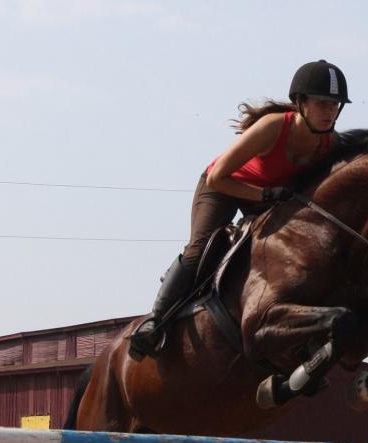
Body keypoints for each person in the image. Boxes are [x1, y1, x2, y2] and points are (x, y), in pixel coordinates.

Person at [130, 60, 352, 355]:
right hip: (223, 186)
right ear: (300, 102)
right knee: (200, 249)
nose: (330, 112)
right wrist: (266, 194)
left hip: (267, 199)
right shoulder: (273, 127)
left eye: (335, 105)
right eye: (322, 103)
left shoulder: (331, 144)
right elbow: (217, 177)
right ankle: (155, 322)